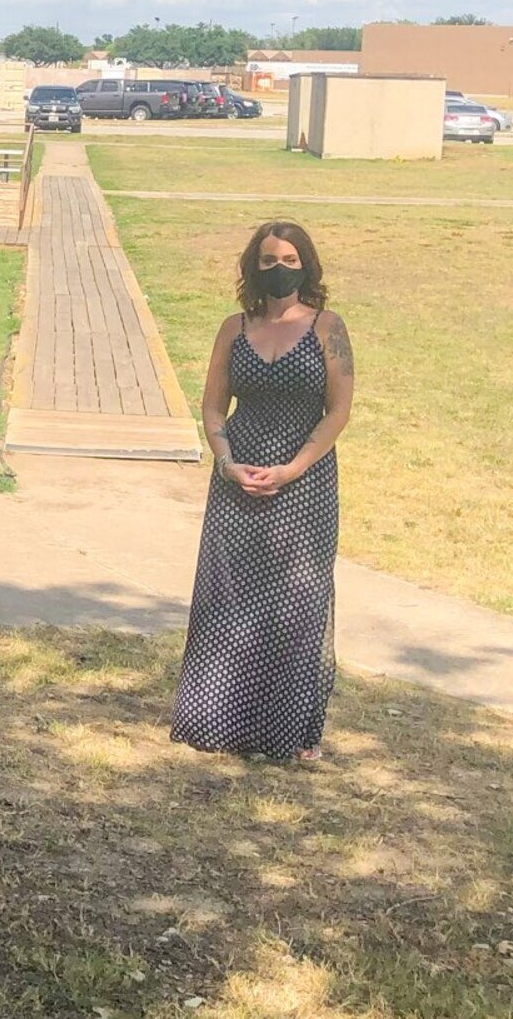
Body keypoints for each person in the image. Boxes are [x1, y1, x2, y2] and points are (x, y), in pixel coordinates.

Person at [172, 220, 355, 763]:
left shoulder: (329, 327)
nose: (280, 270)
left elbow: (339, 410)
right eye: (270, 260)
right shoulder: (234, 327)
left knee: (297, 598)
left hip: (306, 480)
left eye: (291, 261)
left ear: (308, 266)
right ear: (254, 266)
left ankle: (291, 730)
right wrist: (226, 461)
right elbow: (212, 405)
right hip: (237, 474)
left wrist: (293, 468)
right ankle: (218, 716)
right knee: (231, 595)